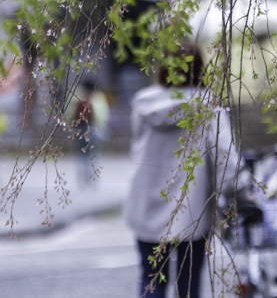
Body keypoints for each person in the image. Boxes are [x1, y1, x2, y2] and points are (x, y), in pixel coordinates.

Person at [125, 38, 244, 298]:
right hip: (192, 209)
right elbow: (227, 160)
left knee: (150, 279)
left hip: (147, 204)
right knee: (188, 285)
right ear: (200, 67)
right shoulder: (208, 106)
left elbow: (137, 145)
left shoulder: (143, 103)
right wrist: (229, 196)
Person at [64, 77, 110, 185]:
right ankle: (93, 177)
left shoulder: (75, 97)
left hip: (79, 128)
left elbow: (69, 114)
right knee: (93, 153)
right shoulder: (98, 97)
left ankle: (83, 177)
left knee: (81, 153)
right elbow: (103, 115)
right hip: (93, 128)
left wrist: (70, 125)